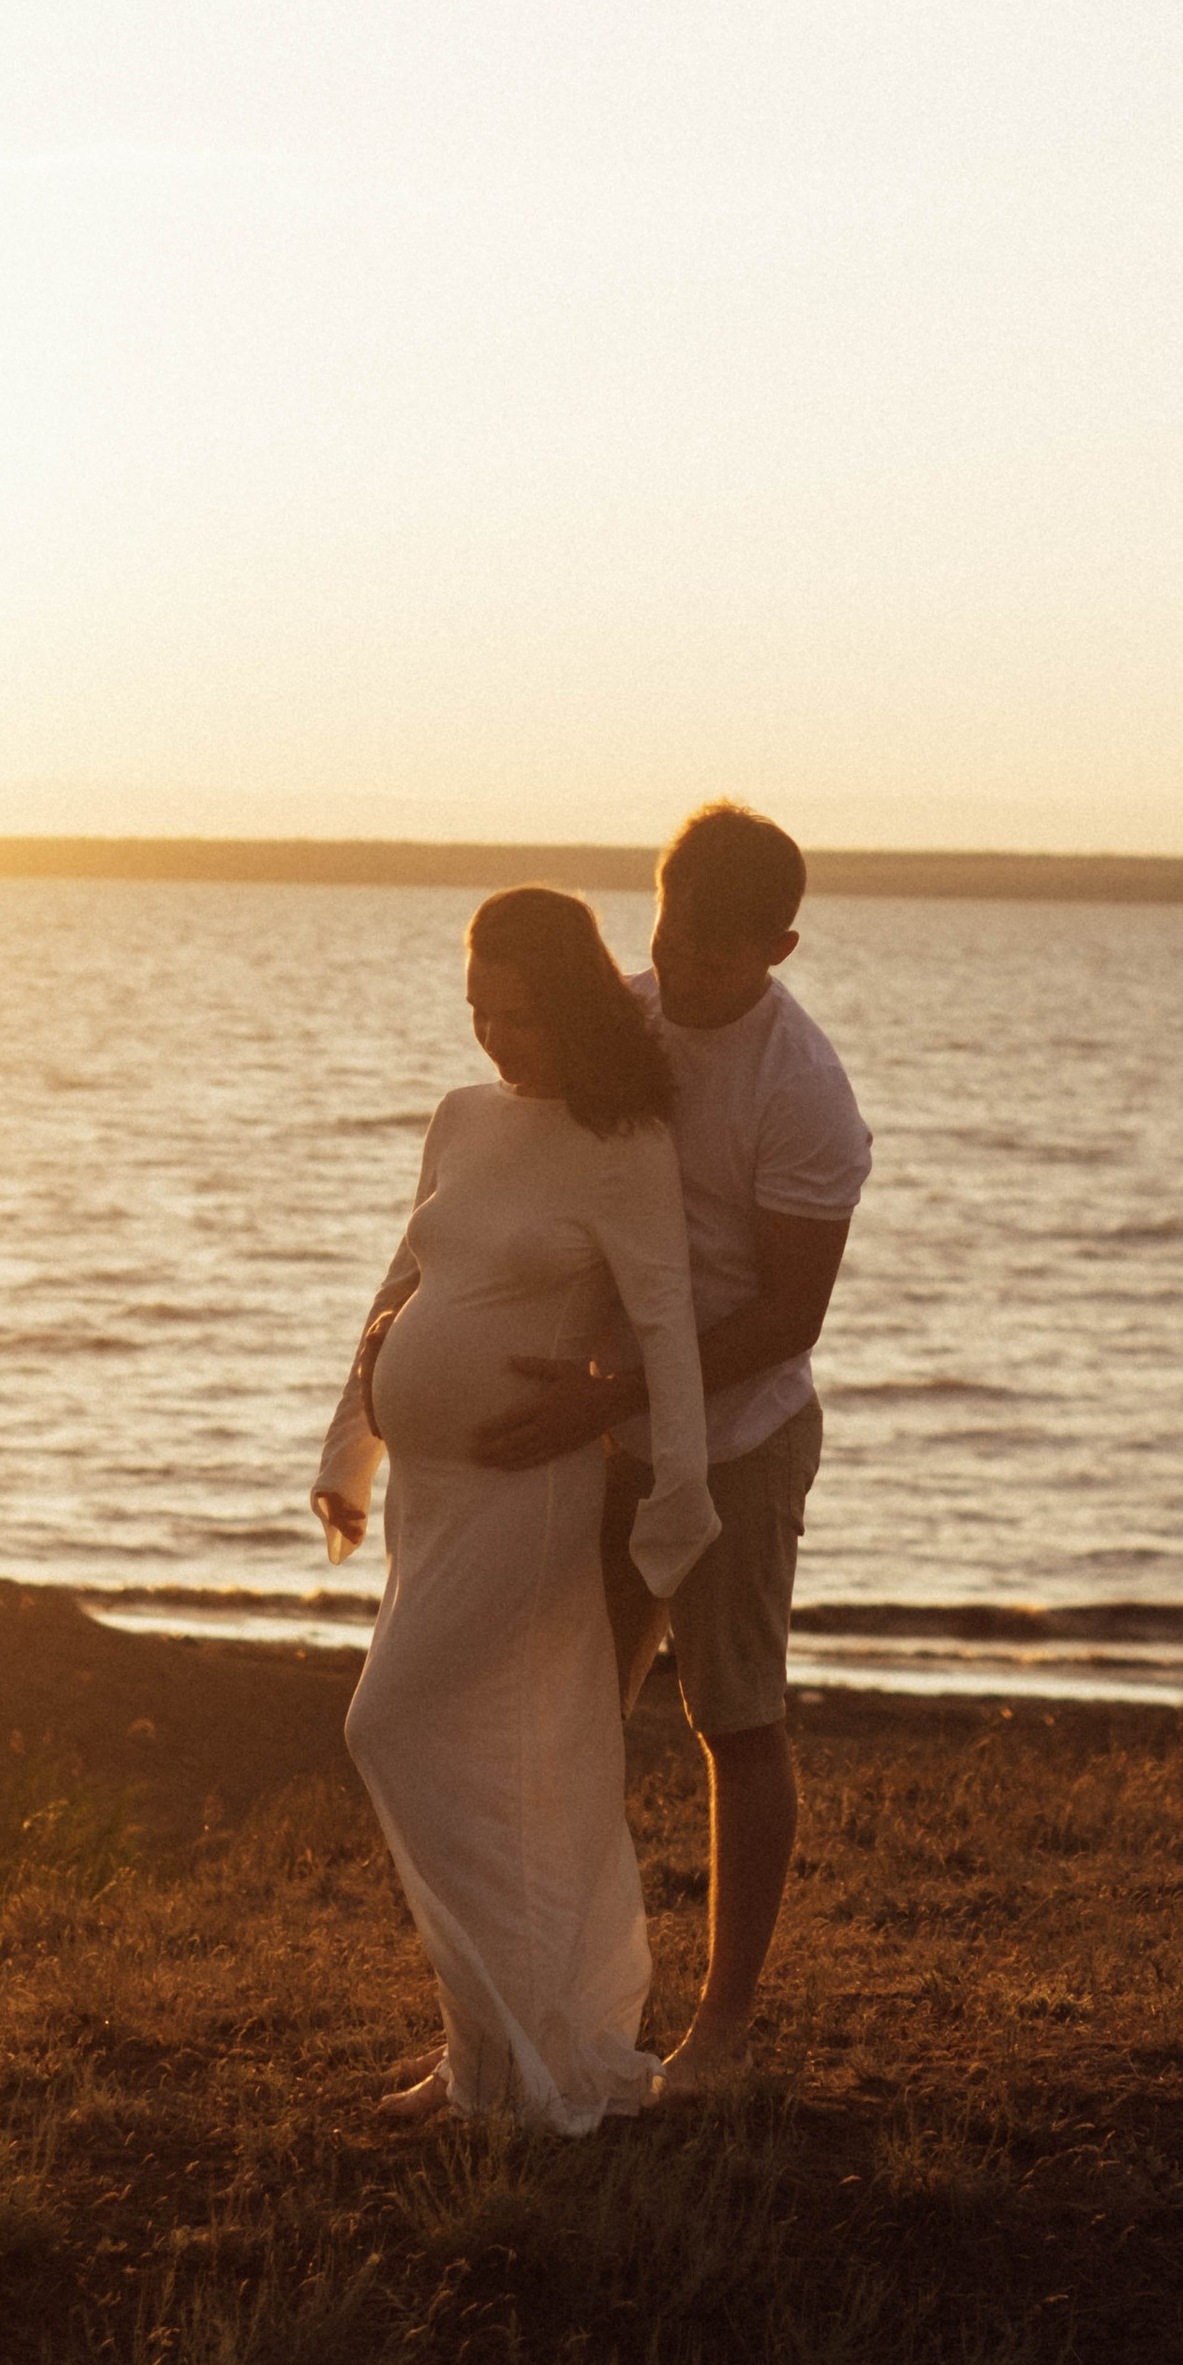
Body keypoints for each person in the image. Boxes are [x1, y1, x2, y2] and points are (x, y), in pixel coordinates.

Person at [471, 803, 870, 2093]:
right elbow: (524, 1190)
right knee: (562, 1707)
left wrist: (614, 1392)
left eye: (717, 957)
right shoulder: (622, 1019)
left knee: (732, 1719)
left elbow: (787, 1315)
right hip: (607, 1424)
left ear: (783, 947)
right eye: (670, 938)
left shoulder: (801, 1091)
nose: (683, 974)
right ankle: (542, 2008)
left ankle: (723, 2028)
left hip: (740, 1437)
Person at [309, 887, 718, 2133]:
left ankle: (524, 2056)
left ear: (581, 1007)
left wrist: (679, 1501)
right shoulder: (461, 1118)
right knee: (488, 1774)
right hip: (427, 1499)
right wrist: (348, 1447)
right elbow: (400, 1284)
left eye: (523, 1017)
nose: (496, 1040)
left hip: (525, 1501)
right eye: (480, 1011)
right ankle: (478, 2061)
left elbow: (666, 1326)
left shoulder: (626, 1142)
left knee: (395, 1728)